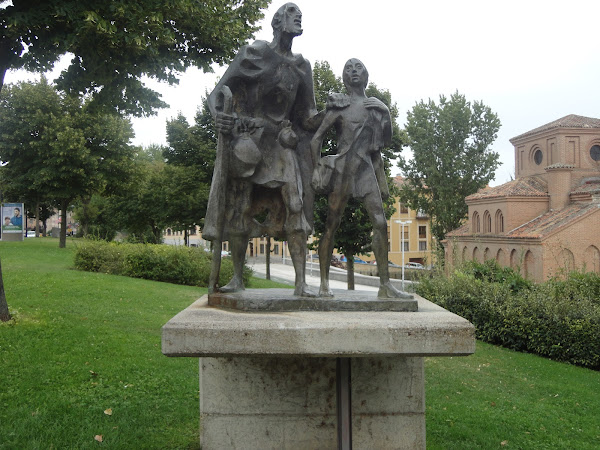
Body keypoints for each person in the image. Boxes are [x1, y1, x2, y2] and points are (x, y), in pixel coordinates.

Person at [204, 3, 322, 296]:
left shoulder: (301, 66)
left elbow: (308, 115)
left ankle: (300, 284)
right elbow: (219, 92)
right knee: (240, 208)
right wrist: (220, 115)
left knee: (295, 206)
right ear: (279, 21)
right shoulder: (254, 54)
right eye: (292, 13)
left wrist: (331, 114)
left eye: (300, 15)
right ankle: (237, 279)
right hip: (250, 141)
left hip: (283, 143)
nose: (298, 17)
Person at [310, 58, 412, 299]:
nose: (353, 71)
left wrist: (385, 112)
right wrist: (317, 168)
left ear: (366, 76)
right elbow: (317, 138)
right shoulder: (340, 106)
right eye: (348, 68)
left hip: (365, 170)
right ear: (344, 77)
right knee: (331, 225)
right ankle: (324, 283)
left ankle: (385, 286)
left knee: (380, 223)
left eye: (358, 68)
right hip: (343, 170)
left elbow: (383, 142)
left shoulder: (374, 106)